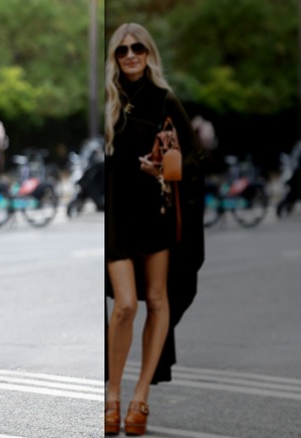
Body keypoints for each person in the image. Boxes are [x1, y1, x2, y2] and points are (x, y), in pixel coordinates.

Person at [103, 23, 205, 436]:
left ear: (149, 53)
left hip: (154, 211)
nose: (130, 55)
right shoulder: (107, 100)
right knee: (126, 305)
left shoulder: (165, 99)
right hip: (116, 215)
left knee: (158, 300)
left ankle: (140, 396)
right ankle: (112, 394)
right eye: (122, 49)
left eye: (138, 48)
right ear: (114, 57)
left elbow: (196, 158)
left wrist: (167, 166)